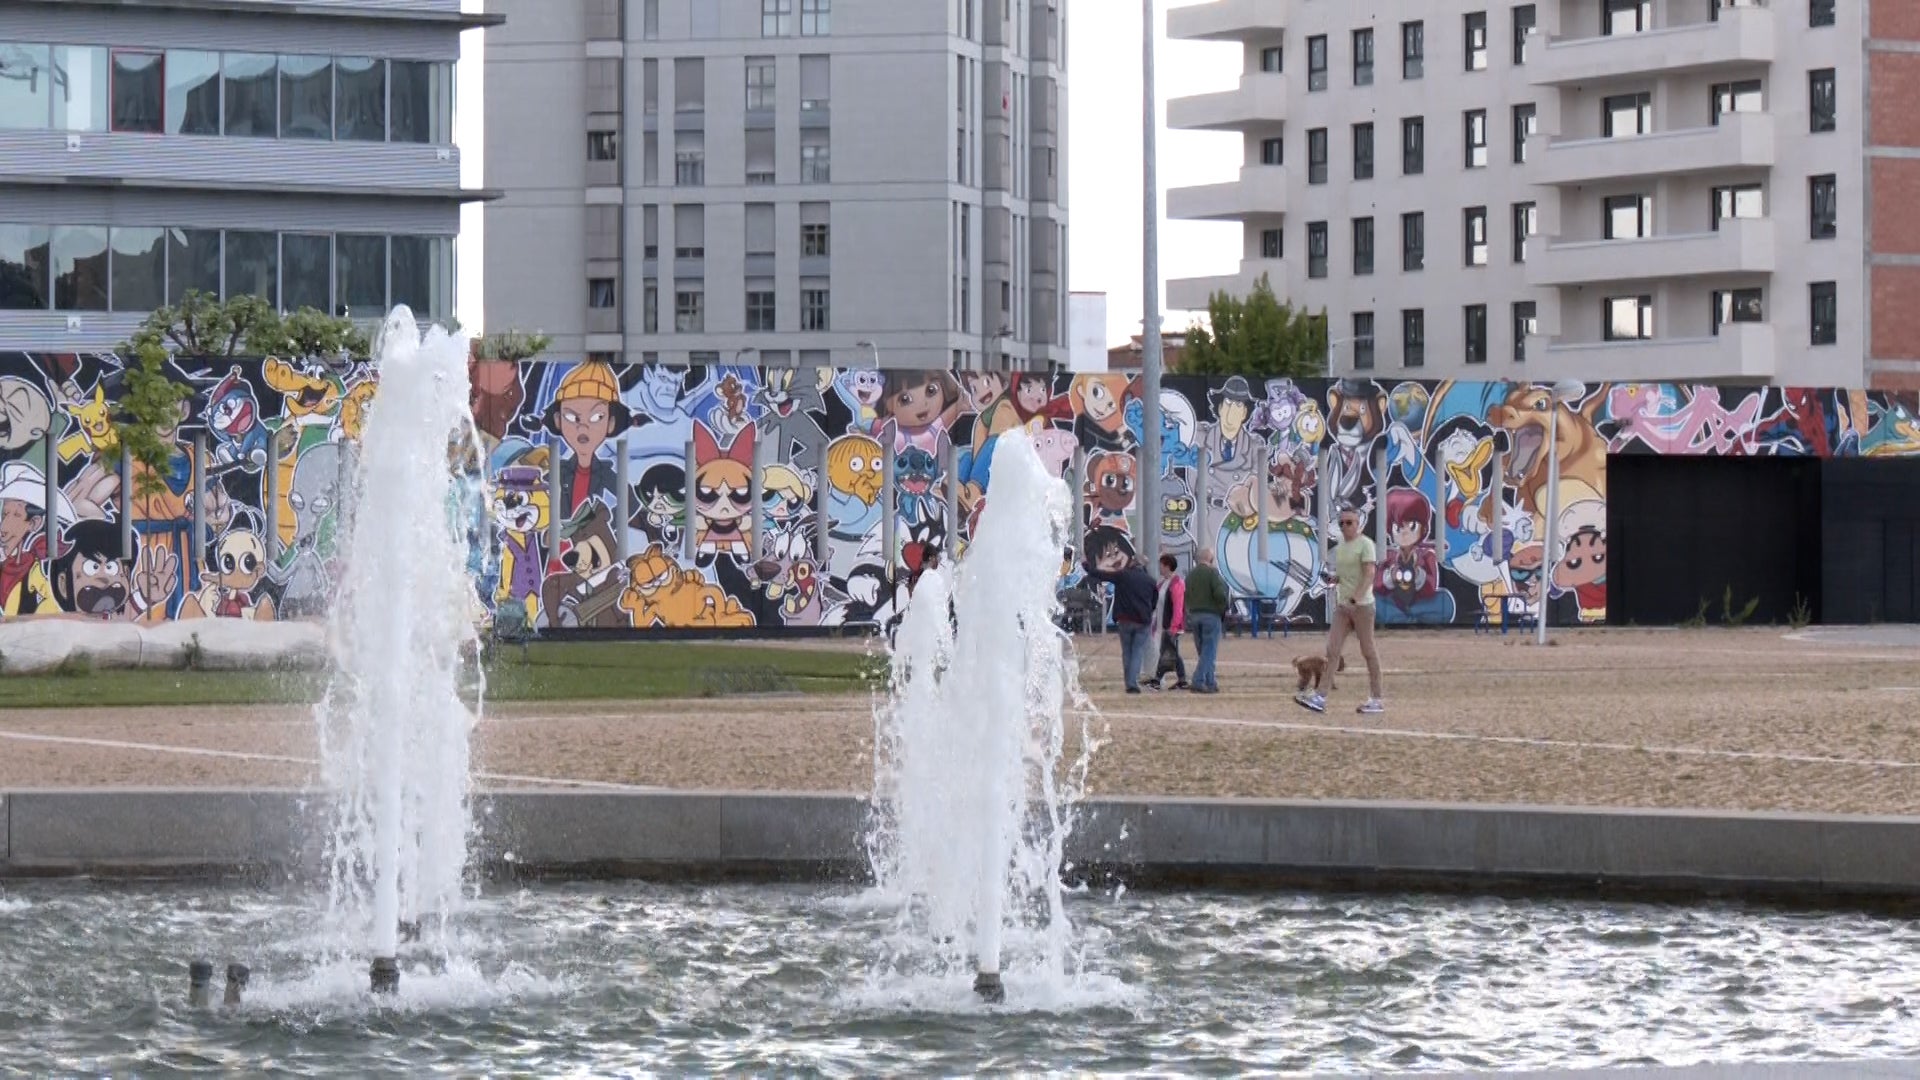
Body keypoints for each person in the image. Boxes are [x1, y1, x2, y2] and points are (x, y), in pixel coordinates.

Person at [1299, 506, 1384, 715]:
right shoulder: (1341, 547)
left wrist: (1355, 598)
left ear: (1358, 524)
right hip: (1343, 606)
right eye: (1342, 523)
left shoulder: (1366, 545)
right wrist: (1333, 579)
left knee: (1368, 650)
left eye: (1349, 522)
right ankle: (1320, 696)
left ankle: (1376, 698)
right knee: (1332, 649)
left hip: (1362, 606)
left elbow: (1369, 574)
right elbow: (1345, 575)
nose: (1345, 527)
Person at [1081, 541, 1158, 695]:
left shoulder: (1123, 576)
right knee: (1137, 652)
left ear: (1132, 563)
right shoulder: (1151, 581)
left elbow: (1099, 574)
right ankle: (1132, 682)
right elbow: (1154, 602)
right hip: (1142, 620)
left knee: (1127, 652)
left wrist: (1085, 564)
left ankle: (1129, 682)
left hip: (1124, 619)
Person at [1183, 546, 1229, 694]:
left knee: (1203, 651)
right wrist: (1223, 608)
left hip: (1194, 615)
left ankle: (1210, 682)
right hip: (1211, 615)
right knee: (1209, 650)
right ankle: (1198, 680)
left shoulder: (1190, 575)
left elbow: (1186, 595)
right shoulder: (1212, 573)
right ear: (1210, 559)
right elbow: (1220, 594)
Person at [1147, 553, 1188, 690]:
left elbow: (1178, 606)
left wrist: (1174, 625)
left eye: (1161, 565)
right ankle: (1181, 680)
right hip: (1161, 624)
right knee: (1172, 653)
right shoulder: (1163, 583)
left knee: (1167, 652)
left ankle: (1157, 680)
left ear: (1167, 566)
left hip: (1170, 625)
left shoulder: (1177, 583)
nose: (1159, 568)